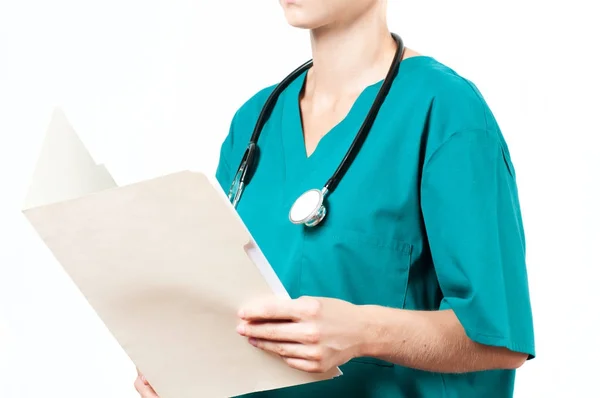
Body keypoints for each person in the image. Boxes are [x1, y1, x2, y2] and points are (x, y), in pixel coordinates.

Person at [135, 0, 535, 397]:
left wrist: (364, 332)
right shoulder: (255, 122)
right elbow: (221, 305)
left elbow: (498, 337)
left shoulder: (447, 111)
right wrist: (179, 368)